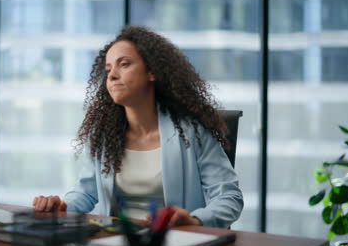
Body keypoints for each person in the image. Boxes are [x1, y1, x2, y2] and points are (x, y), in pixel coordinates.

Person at [33, 25, 243, 228]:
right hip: (115, 243)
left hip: (175, 244)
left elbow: (228, 197)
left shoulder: (192, 132)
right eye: (108, 69)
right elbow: (86, 192)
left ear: (151, 72)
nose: (112, 75)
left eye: (124, 64)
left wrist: (194, 220)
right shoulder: (105, 135)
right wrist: (62, 206)